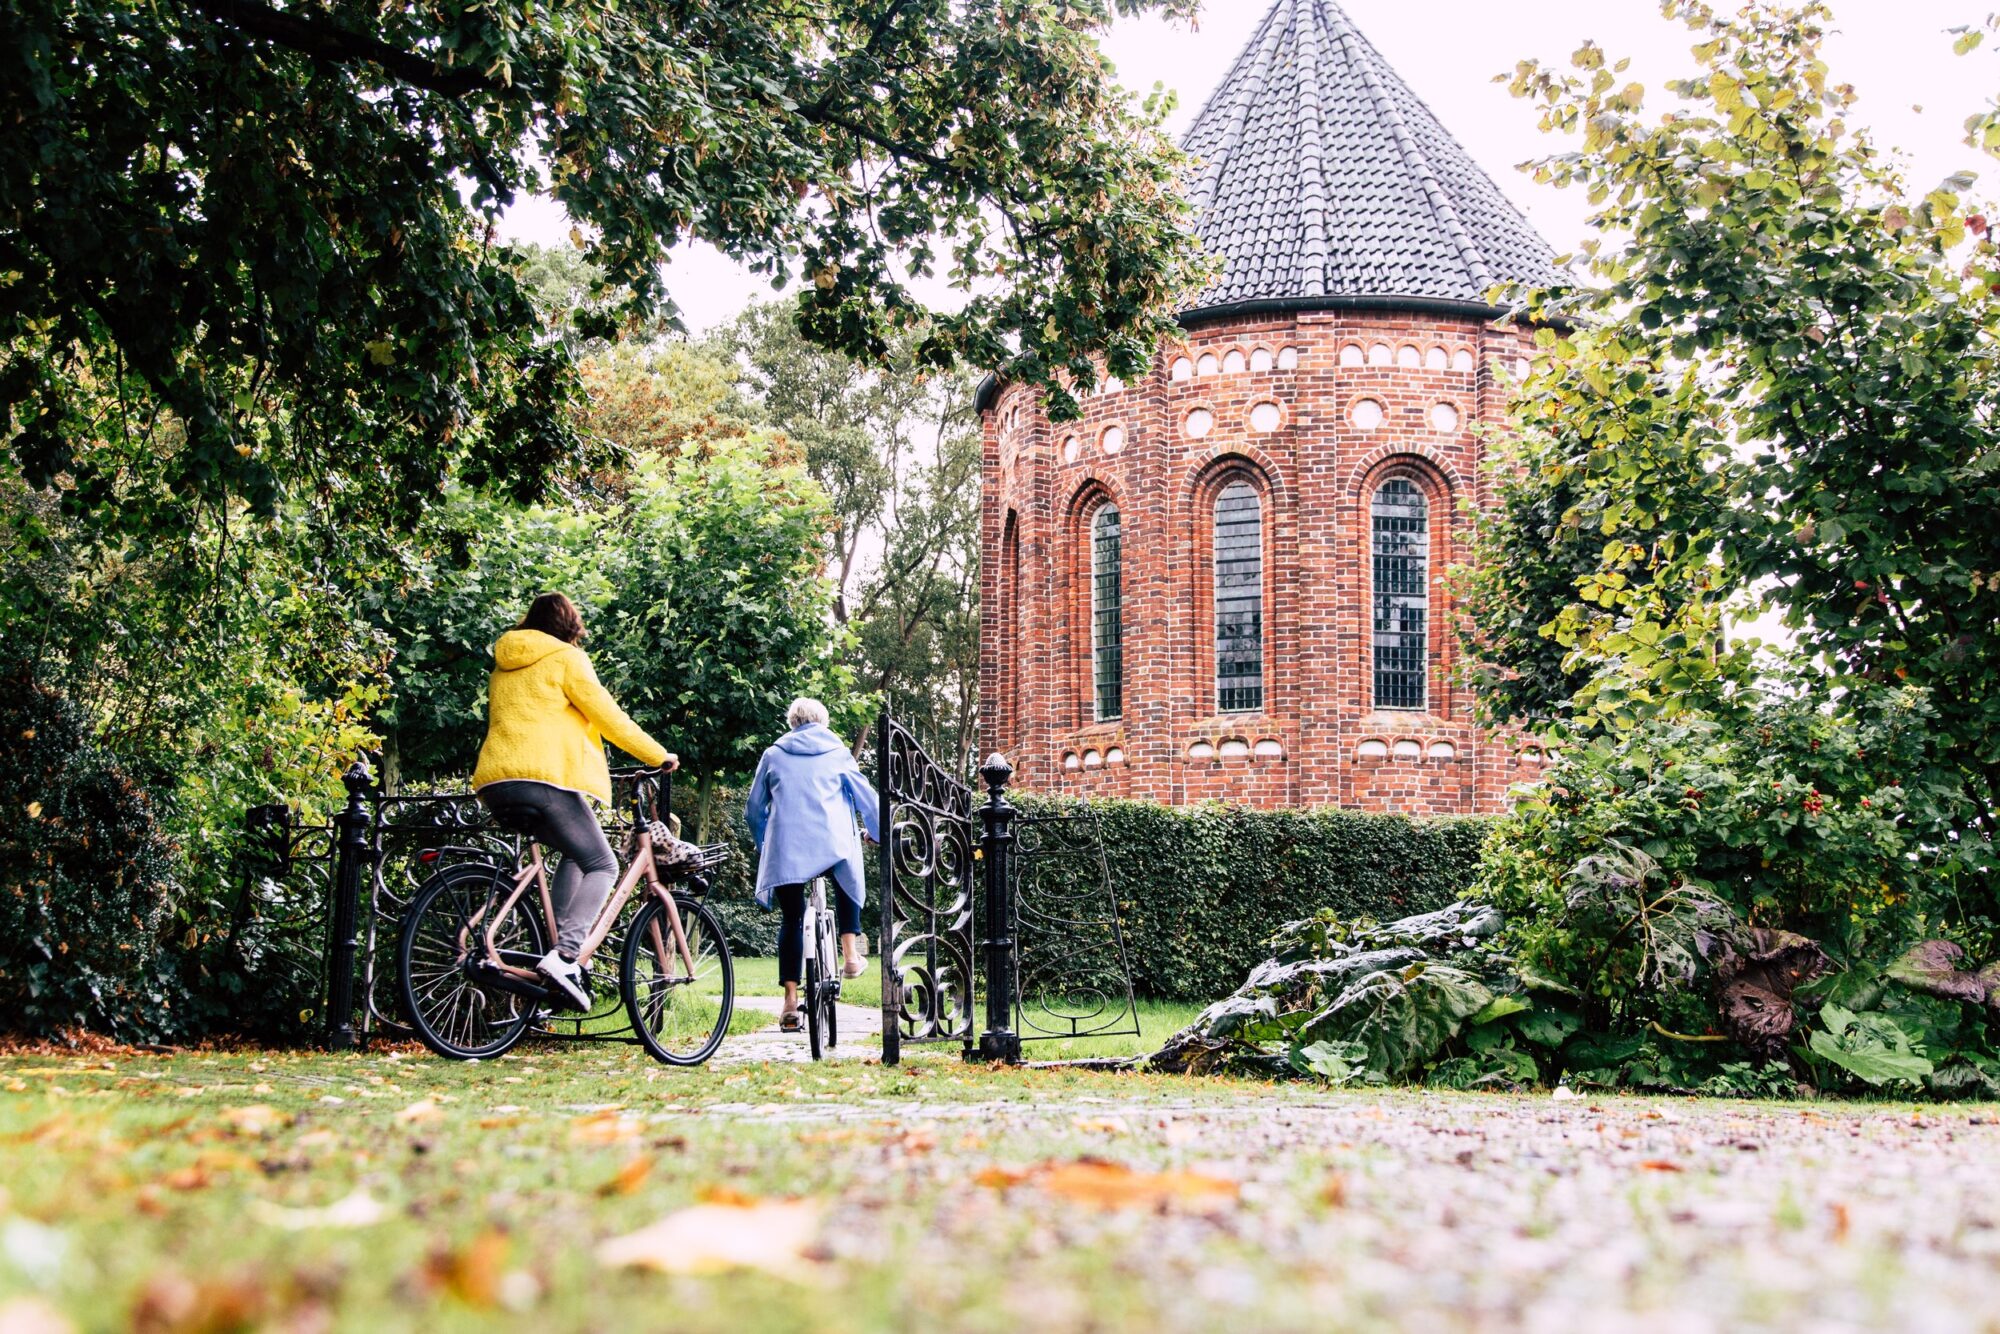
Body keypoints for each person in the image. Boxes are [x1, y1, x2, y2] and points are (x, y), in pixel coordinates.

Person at [471, 592, 676, 1010]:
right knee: (604, 863)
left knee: (574, 854)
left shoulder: (503, 663)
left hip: (495, 780)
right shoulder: (567, 658)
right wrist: (659, 756)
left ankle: (554, 957)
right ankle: (566, 957)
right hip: (544, 779)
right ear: (570, 626)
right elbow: (608, 716)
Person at [744, 698, 880, 1031]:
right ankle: (849, 955)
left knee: (792, 919)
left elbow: (753, 809)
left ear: (793, 723)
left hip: (787, 849)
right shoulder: (838, 754)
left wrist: (765, 842)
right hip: (831, 843)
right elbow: (869, 801)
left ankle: (790, 1003)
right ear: (823, 723)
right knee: (846, 866)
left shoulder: (773, 754)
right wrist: (876, 833)